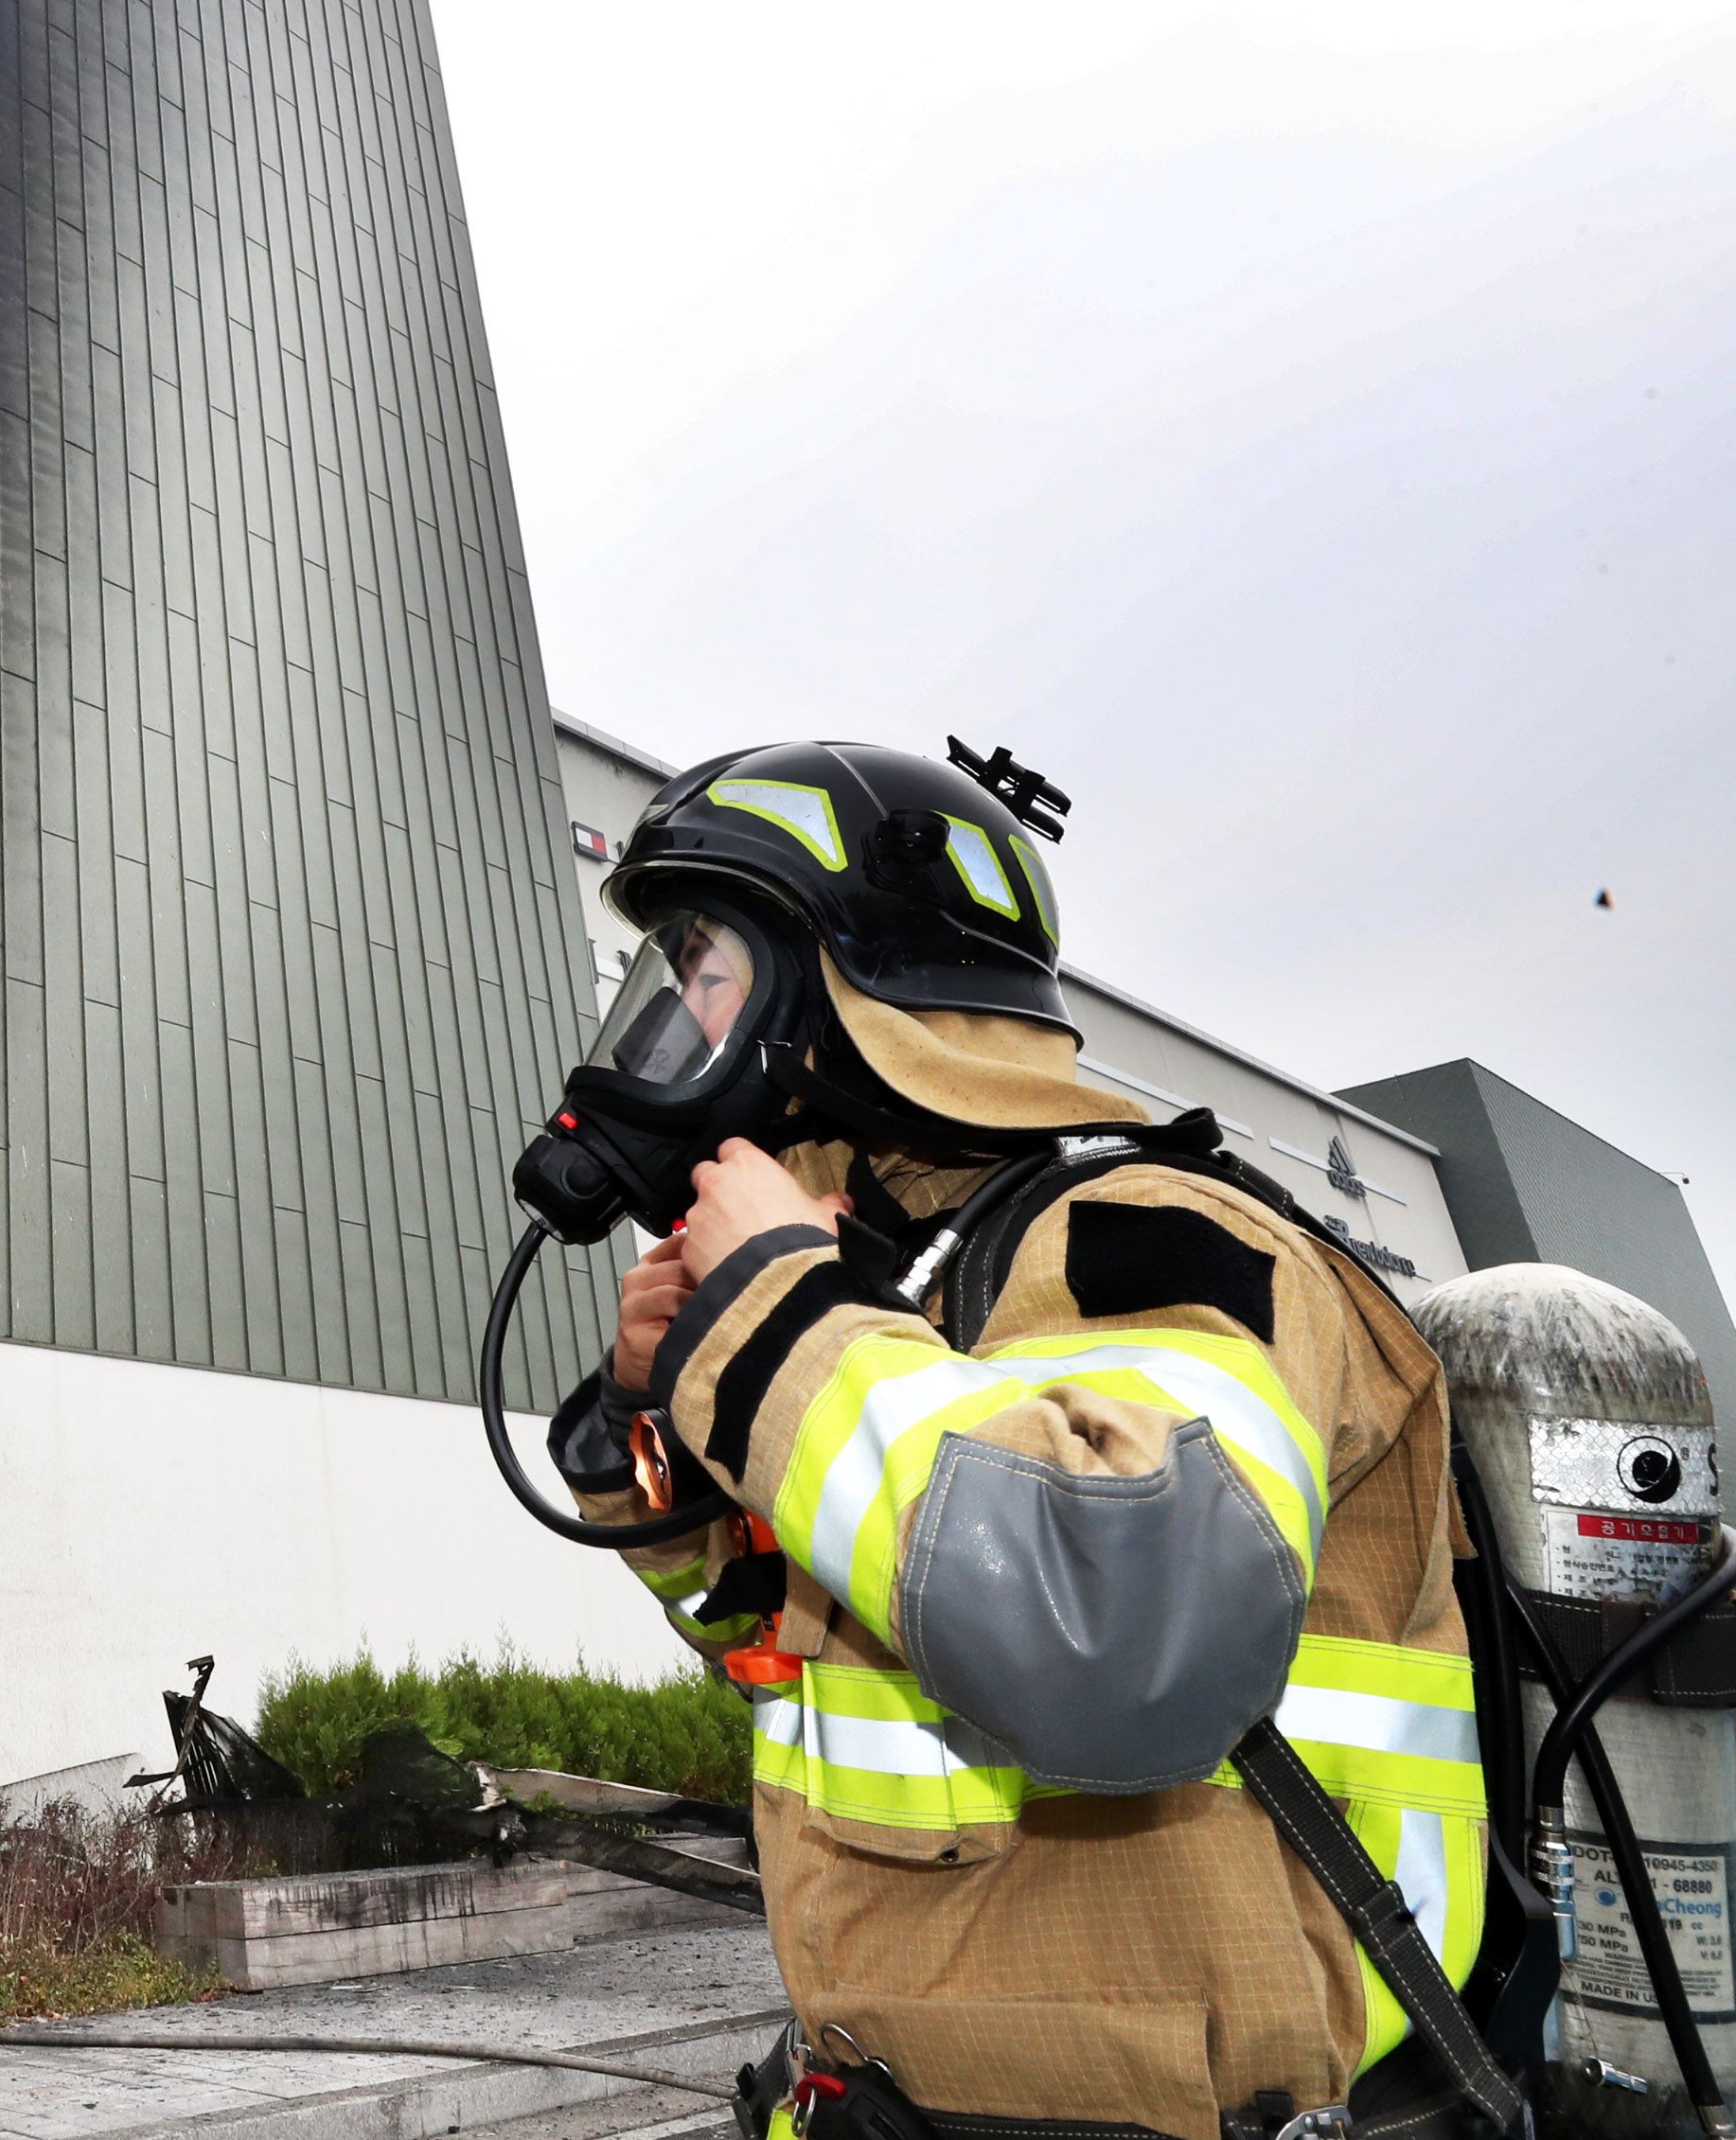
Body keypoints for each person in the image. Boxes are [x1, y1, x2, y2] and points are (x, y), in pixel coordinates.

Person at [548, 741, 1484, 2140]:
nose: (674, 1028)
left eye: (707, 972)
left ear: (843, 989)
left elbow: (1121, 1632)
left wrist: (781, 1321)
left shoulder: (1150, 1236)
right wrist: (640, 1414)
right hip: (902, 2089)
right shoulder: (895, 1299)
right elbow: (759, 1641)